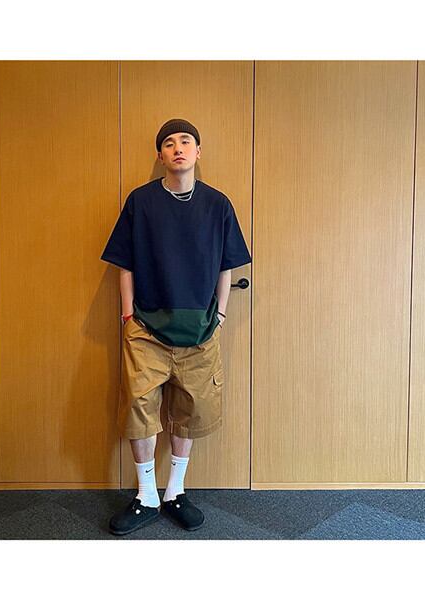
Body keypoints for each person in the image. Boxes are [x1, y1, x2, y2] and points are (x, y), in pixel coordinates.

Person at [100, 118, 251, 535]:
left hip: (200, 329)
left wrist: (220, 316)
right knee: (138, 407)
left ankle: (175, 491)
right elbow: (124, 262)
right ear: (160, 155)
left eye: (186, 141)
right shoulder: (141, 201)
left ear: (198, 152)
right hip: (146, 327)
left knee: (191, 410)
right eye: (169, 143)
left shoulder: (218, 204)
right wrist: (128, 315)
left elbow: (226, 265)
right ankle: (146, 494)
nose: (178, 148)